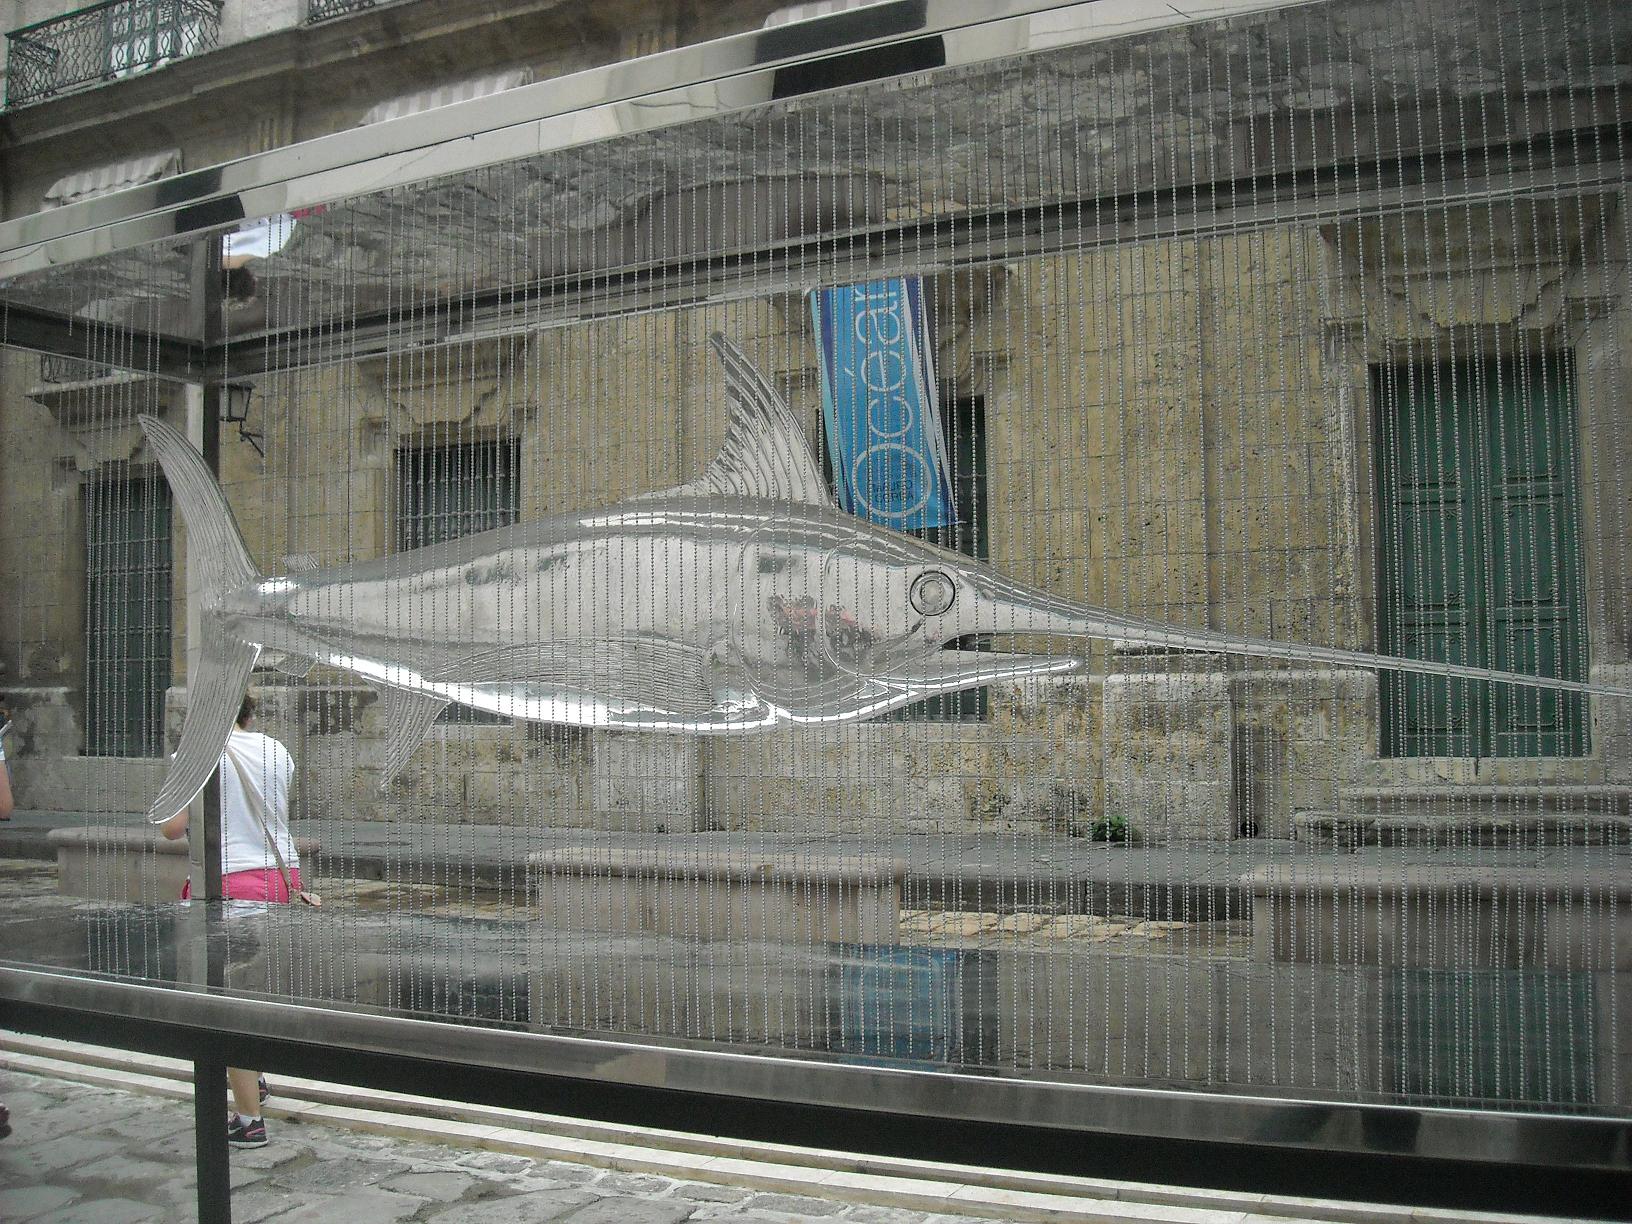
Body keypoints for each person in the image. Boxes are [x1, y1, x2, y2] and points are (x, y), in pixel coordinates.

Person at [161, 693, 298, 1148]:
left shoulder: (197, 753)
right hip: (281, 875)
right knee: (252, 986)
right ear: (250, 714)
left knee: (223, 1001)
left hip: (229, 882)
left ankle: (249, 1120)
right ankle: (253, 1079)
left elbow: (172, 826)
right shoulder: (276, 749)